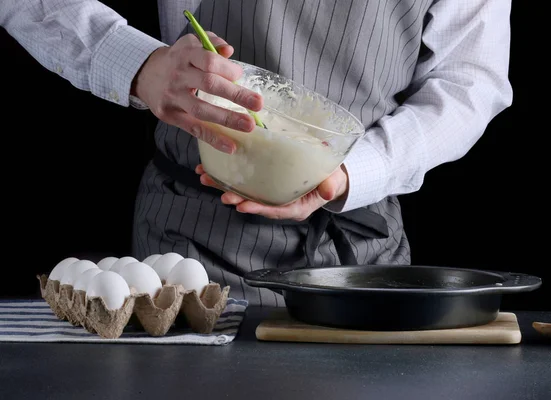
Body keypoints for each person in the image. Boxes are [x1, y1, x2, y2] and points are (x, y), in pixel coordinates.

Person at [1, 0, 513, 306]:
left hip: (360, 255)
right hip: (190, 244)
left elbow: (470, 79)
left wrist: (353, 173)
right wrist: (139, 64)